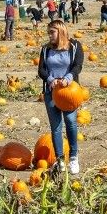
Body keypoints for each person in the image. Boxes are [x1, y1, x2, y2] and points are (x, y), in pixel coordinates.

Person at [37, 19, 84, 175]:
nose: (49, 35)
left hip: (69, 92)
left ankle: (73, 157)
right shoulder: (45, 49)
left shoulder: (75, 46)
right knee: (56, 127)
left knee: (70, 122)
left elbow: (78, 65)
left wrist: (68, 78)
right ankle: (60, 160)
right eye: (48, 32)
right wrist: (51, 80)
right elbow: (41, 70)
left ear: (61, 31)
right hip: (51, 92)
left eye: (52, 32)